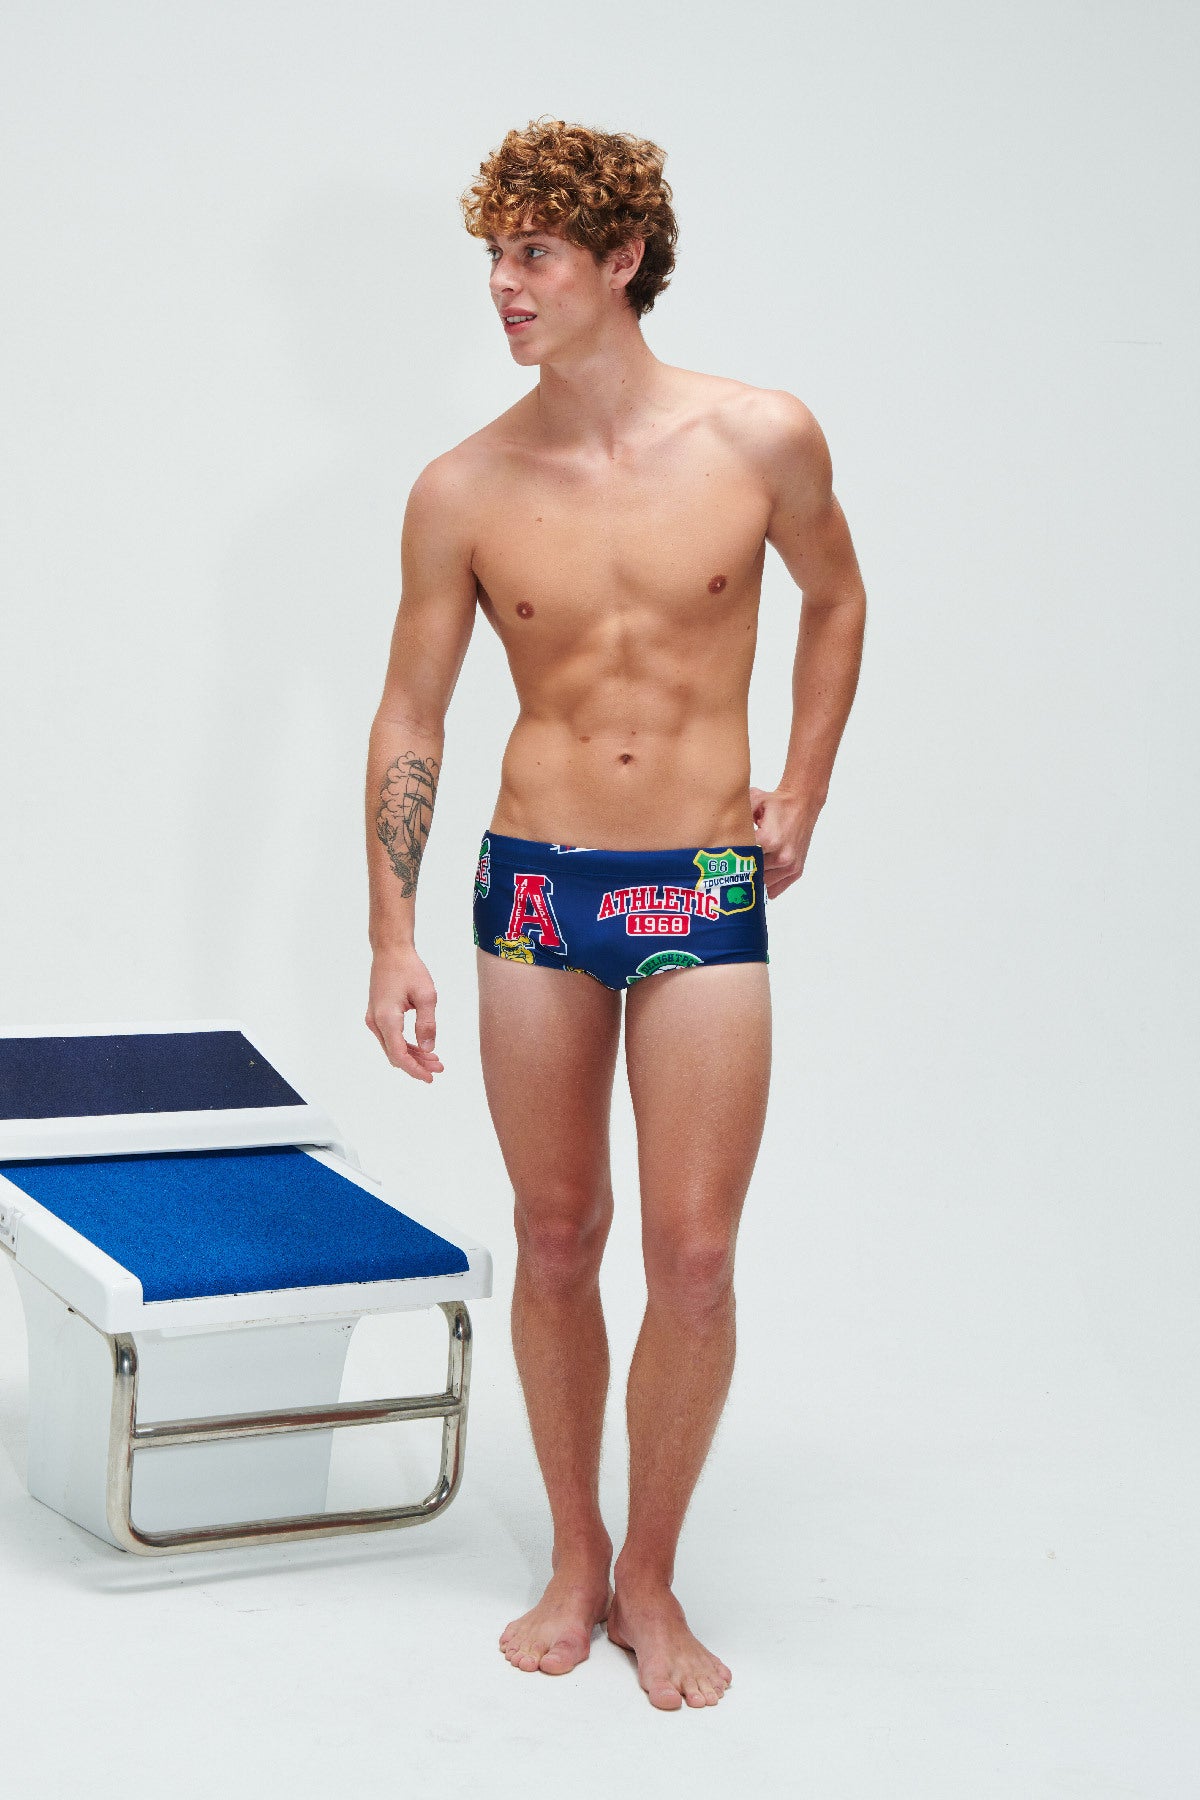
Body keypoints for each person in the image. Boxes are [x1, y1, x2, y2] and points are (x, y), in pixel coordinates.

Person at [364, 117, 866, 1711]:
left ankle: (652, 1569)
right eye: (493, 257)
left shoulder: (759, 436)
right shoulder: (463, 487)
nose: (503, 287)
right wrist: (391, 935)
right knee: (557, 1237)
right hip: (537, 883)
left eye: (534, 254)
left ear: (622, 259)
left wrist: (805, 785)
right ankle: (577, 1557)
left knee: (695, 1257)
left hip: (702, 883)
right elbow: (412, 713)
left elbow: (838, 596)